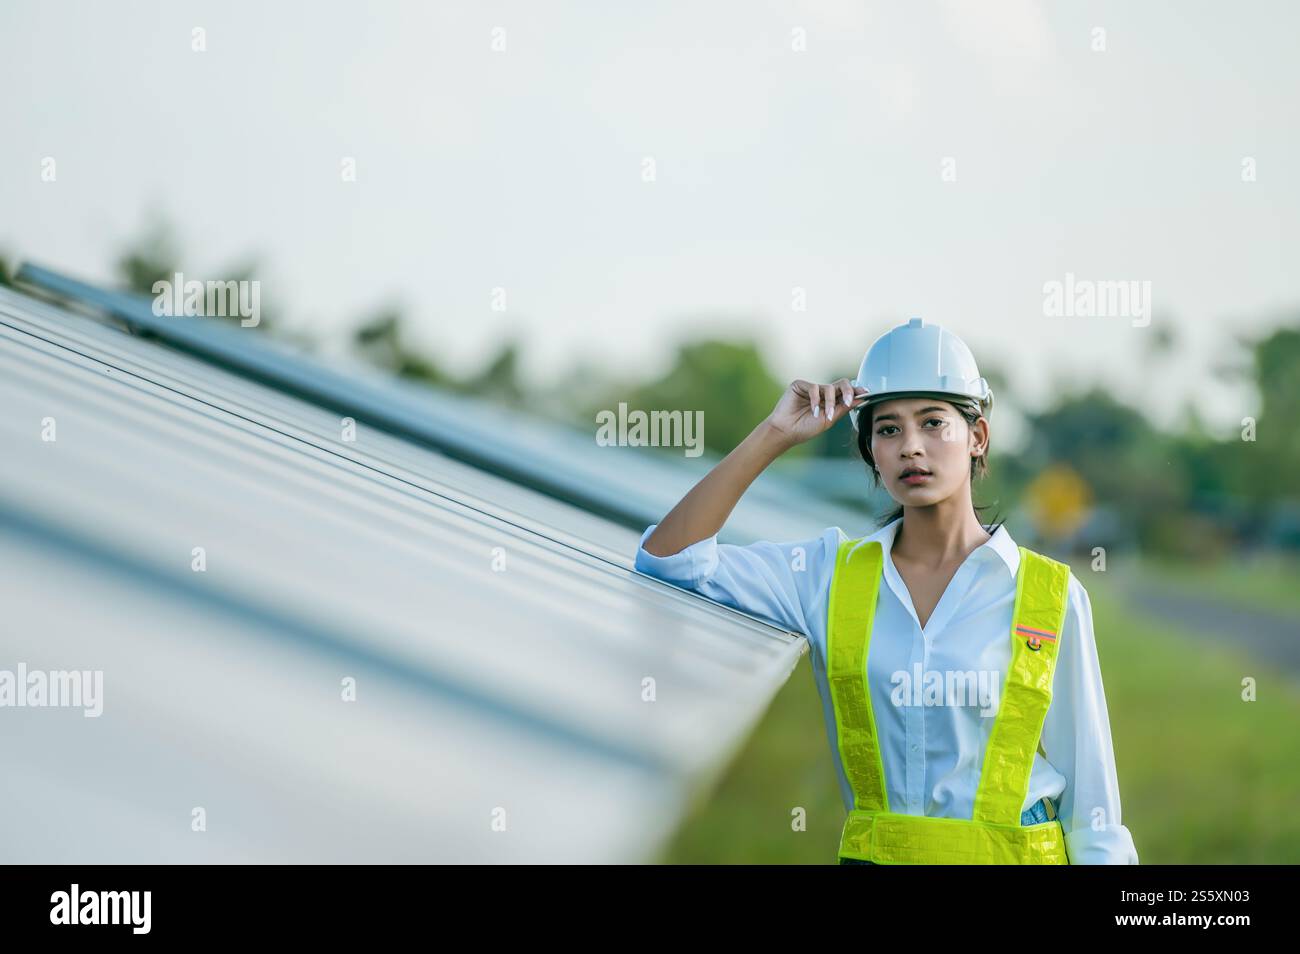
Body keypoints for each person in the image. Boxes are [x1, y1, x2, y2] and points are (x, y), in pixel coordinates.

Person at [634, 318, 1138, 864]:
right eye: (889, 429)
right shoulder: (826, 573)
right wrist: (774, 435)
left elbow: (1094, 814)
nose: (910, 447)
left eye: (933, 422)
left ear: (977, 437)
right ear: (870, 448)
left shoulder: (1049, 594)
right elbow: (672, 559)